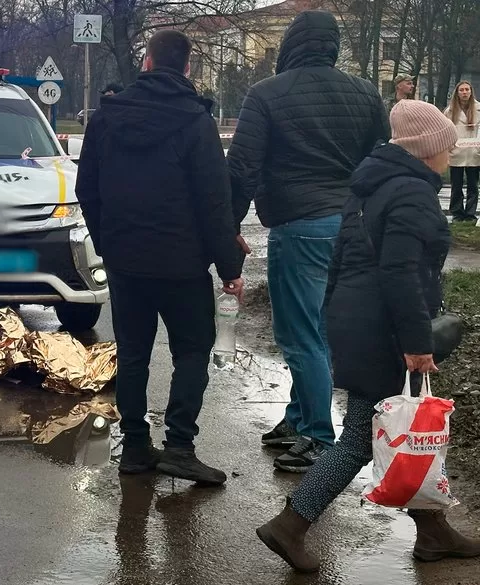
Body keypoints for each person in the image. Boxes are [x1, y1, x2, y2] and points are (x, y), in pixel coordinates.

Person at [256, 99, 480, 573]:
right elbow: (402, 273)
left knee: (413, 425)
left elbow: (340, 263)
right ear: (426, 149)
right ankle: (289, 525)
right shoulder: (412, 194)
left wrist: (337, 316)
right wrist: (417, 343)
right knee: (361, 439)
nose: (449, 153)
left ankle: (433, 533)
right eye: (445, 145)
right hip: (389, 330)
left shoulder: (370, 187)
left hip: (362, 322)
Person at [75, 29, 244, 486]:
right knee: (192, 350)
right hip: (182, 264)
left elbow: (85, 190)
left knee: (133, 354)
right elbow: (214, 201)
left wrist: (108, 243)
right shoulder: (195, 121)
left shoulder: (106, 119)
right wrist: (229, 268)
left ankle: (134, 447)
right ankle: (180, 447)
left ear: (147, 62)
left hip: (126, 261)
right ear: (186, 68)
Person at [227, 10, 389, 473]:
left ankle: (319, 435)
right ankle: (297, 419)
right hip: (350, 224)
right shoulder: (365, 92)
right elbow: (381, 158)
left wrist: (230, 226)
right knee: (318, 330)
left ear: (290, 46)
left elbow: (242, 168)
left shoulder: (267, 94)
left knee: (300, 335)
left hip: (299, 225)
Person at [445, 81, 480, 223]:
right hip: (457, 152)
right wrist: (449, 148)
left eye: (467, 89)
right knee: (456, 185)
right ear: (457, 93)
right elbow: (446, 132)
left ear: (471, 92)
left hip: (474, 152)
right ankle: (457, 213)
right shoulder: (450, 111)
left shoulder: (478, 109)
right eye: (462, 90)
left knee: (473, 185)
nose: (465, 92)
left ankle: (470, 214)